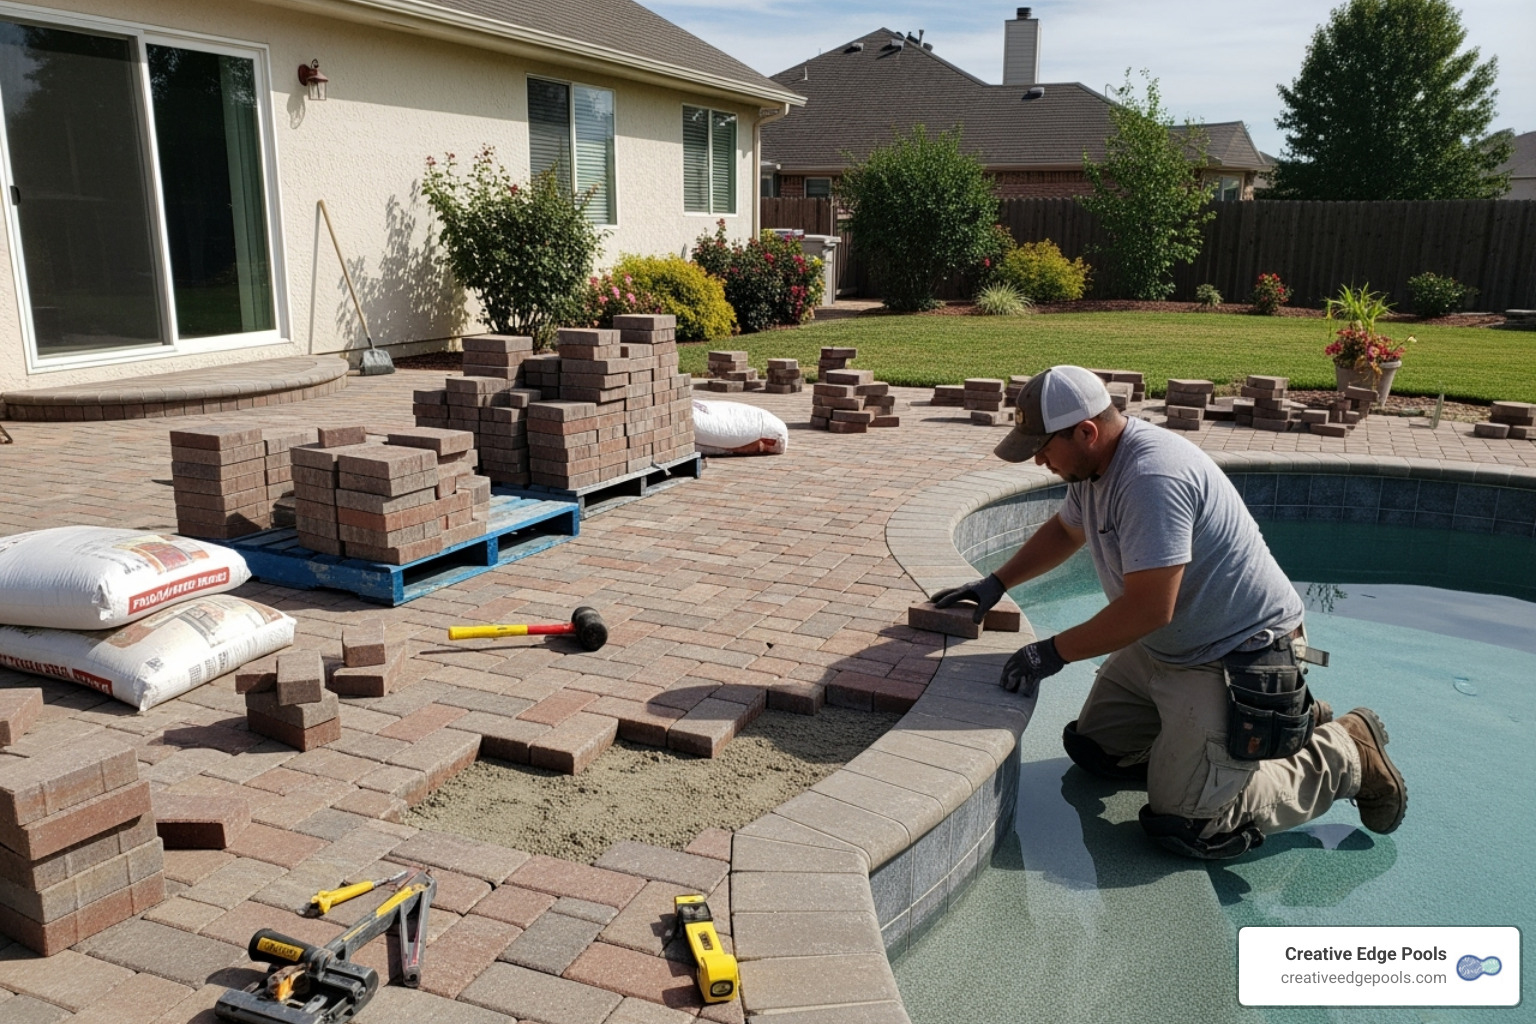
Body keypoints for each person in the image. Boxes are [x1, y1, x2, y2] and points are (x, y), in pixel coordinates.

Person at [933, 366, 1406, 860]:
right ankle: (1255, 732)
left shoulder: (1151, 477)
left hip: (1235, 654)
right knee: (1098, 751)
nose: (1037, 459)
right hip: (1170, 645)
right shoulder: (1094, 466)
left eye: (1043, 447)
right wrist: (996, 582)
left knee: (1187, 825)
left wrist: (1050, 653)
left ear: (1086, 431)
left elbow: (1149, 608)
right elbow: (1067, 530)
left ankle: (1345, 751)